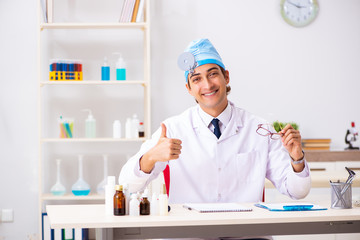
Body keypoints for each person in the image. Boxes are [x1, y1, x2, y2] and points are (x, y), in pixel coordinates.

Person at [119, 38, 311, 204]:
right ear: (188, 88)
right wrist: (151, 157)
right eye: (197, 79)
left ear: (226, 76)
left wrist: (297, 158)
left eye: (212, 74)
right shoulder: (172, 129)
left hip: (245, 233)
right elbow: (127, 185)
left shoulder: (258, 129)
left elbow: (297, 191)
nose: (207, 85)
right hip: (189, 233)